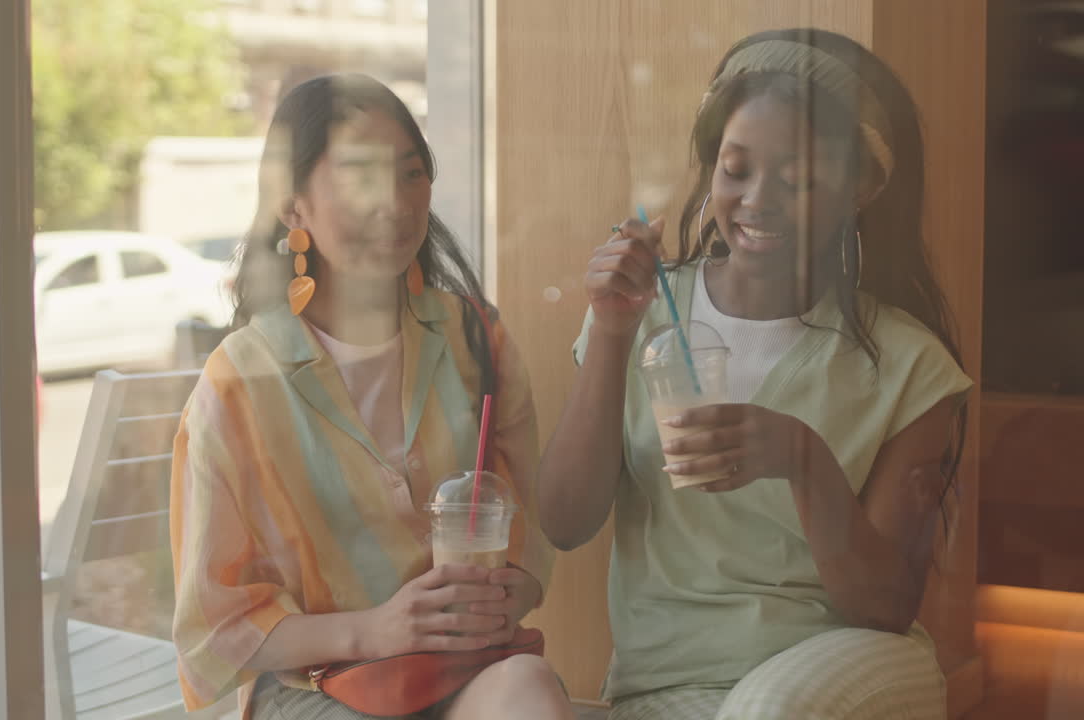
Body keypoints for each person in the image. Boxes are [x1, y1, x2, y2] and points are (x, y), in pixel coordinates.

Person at [538, 29, 970, 720]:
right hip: (666, 687)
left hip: (848, 671)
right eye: (736, 169)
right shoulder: (644, 314)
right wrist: (614, 332)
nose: (757, 199)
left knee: (766, 709)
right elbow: (563, 521)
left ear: (860, 188)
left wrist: (803, 459)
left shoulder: (911, 366)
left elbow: (885, 607)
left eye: (796, 179)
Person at [170, 74, 567, 720]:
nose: (395, 203)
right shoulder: (240, 384)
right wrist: (375, 629)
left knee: (530, 690)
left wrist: (506, 594)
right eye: (359, 178)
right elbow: (216, 626)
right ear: (293, 207)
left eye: (411, 174)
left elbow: (528, 531)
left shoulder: (476, 340)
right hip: (321, 686)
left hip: (464, 675)